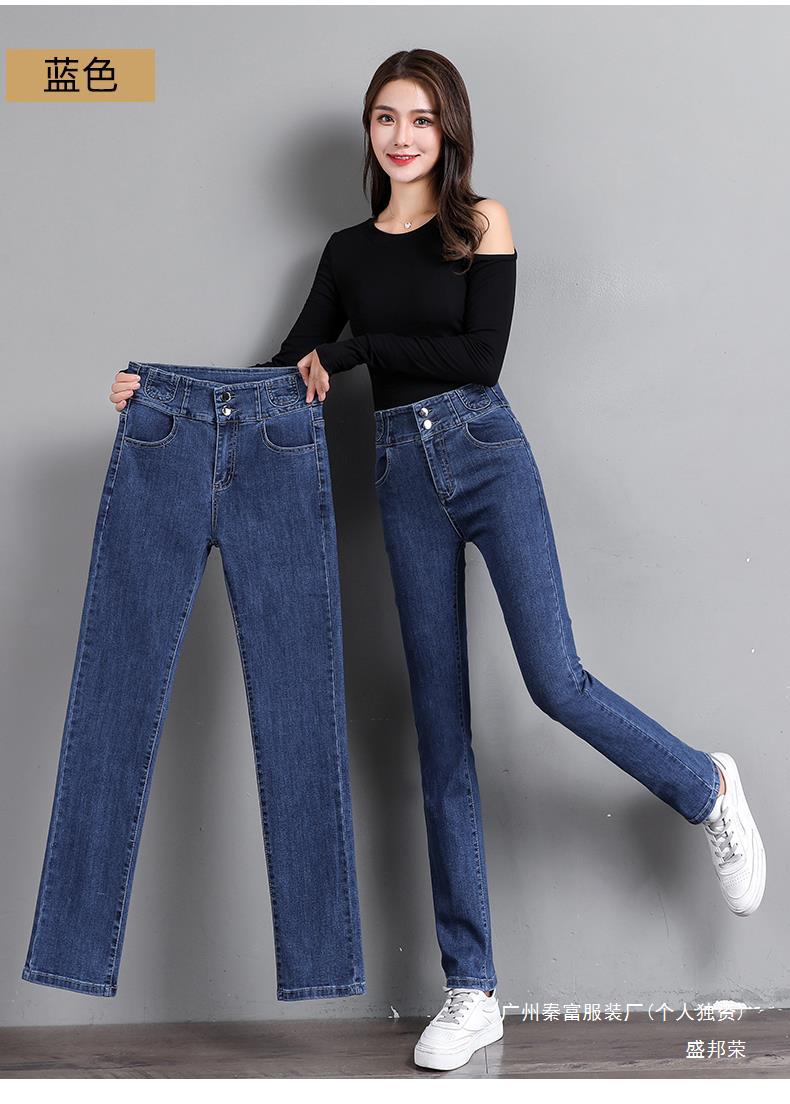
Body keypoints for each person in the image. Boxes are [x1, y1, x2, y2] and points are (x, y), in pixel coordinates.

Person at [108, 49, 766, 1073]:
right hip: (400, 477)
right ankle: (474, 990)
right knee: (440, 735)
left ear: (448, 129)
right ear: (369, 133)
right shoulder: (344, 253)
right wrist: (159, 395)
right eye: (385, 117)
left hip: (485, 453)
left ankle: (704, 787)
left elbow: (479, 357)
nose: (402, 135)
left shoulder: (480, 224)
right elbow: (283, 377)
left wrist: (361, 350)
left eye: (420, 117)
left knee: (555, 679)